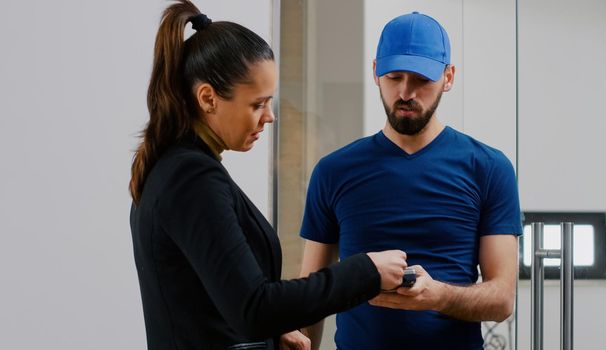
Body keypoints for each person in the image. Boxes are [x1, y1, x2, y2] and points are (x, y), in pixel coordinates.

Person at [128, 1, 409, 349]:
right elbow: (254, 307)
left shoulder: (179, 168)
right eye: (257, 104)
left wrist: (271, 337)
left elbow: (211, 303)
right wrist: (366, 272)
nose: (270, 116)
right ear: (208, 98)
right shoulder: (191, 178)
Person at [299, 11, 522, 350]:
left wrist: (437, 296)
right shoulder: (334, 171)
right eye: (394, 77)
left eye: (421, 79)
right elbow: (310, 298)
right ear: (376, 71)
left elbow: (502, 300)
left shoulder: (489, 167)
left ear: (448, 77)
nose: (405, 92)